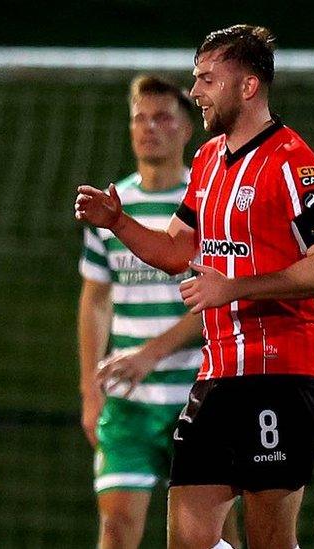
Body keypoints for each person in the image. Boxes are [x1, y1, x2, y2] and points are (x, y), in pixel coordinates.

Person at [75, 25, 314, 549]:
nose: (195, 91)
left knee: (268, 540)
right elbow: (177, 252)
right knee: (190, 537)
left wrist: (235, 288)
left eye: (206, 80)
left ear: (247, 87)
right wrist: (118, 223)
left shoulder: (295, 163)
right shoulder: (207, 160)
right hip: (218, 376)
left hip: (281, 375)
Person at [78, 75, 241, 548]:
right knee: (116, 526)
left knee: (212, 533)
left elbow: (219, 295)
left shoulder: (210, 200)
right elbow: (95, 299)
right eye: (140, 119)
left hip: (200, 390)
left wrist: (150, 353)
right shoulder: (112, 205)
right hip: (128, 398)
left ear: (187, 129)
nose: (149, 128)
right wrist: (90, 389)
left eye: (163, 117)